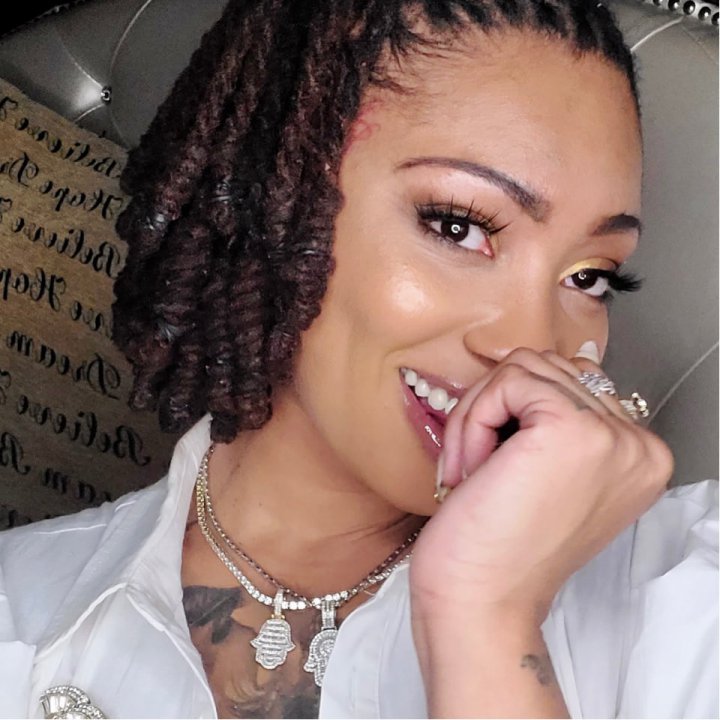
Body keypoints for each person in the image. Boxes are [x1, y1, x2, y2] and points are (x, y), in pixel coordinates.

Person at [0, 0, 717, 717]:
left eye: (589, 277)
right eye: (458, 226)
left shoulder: (691, 595)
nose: (528, 341)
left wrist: (486, 616)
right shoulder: (20, 609)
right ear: (272, 196)